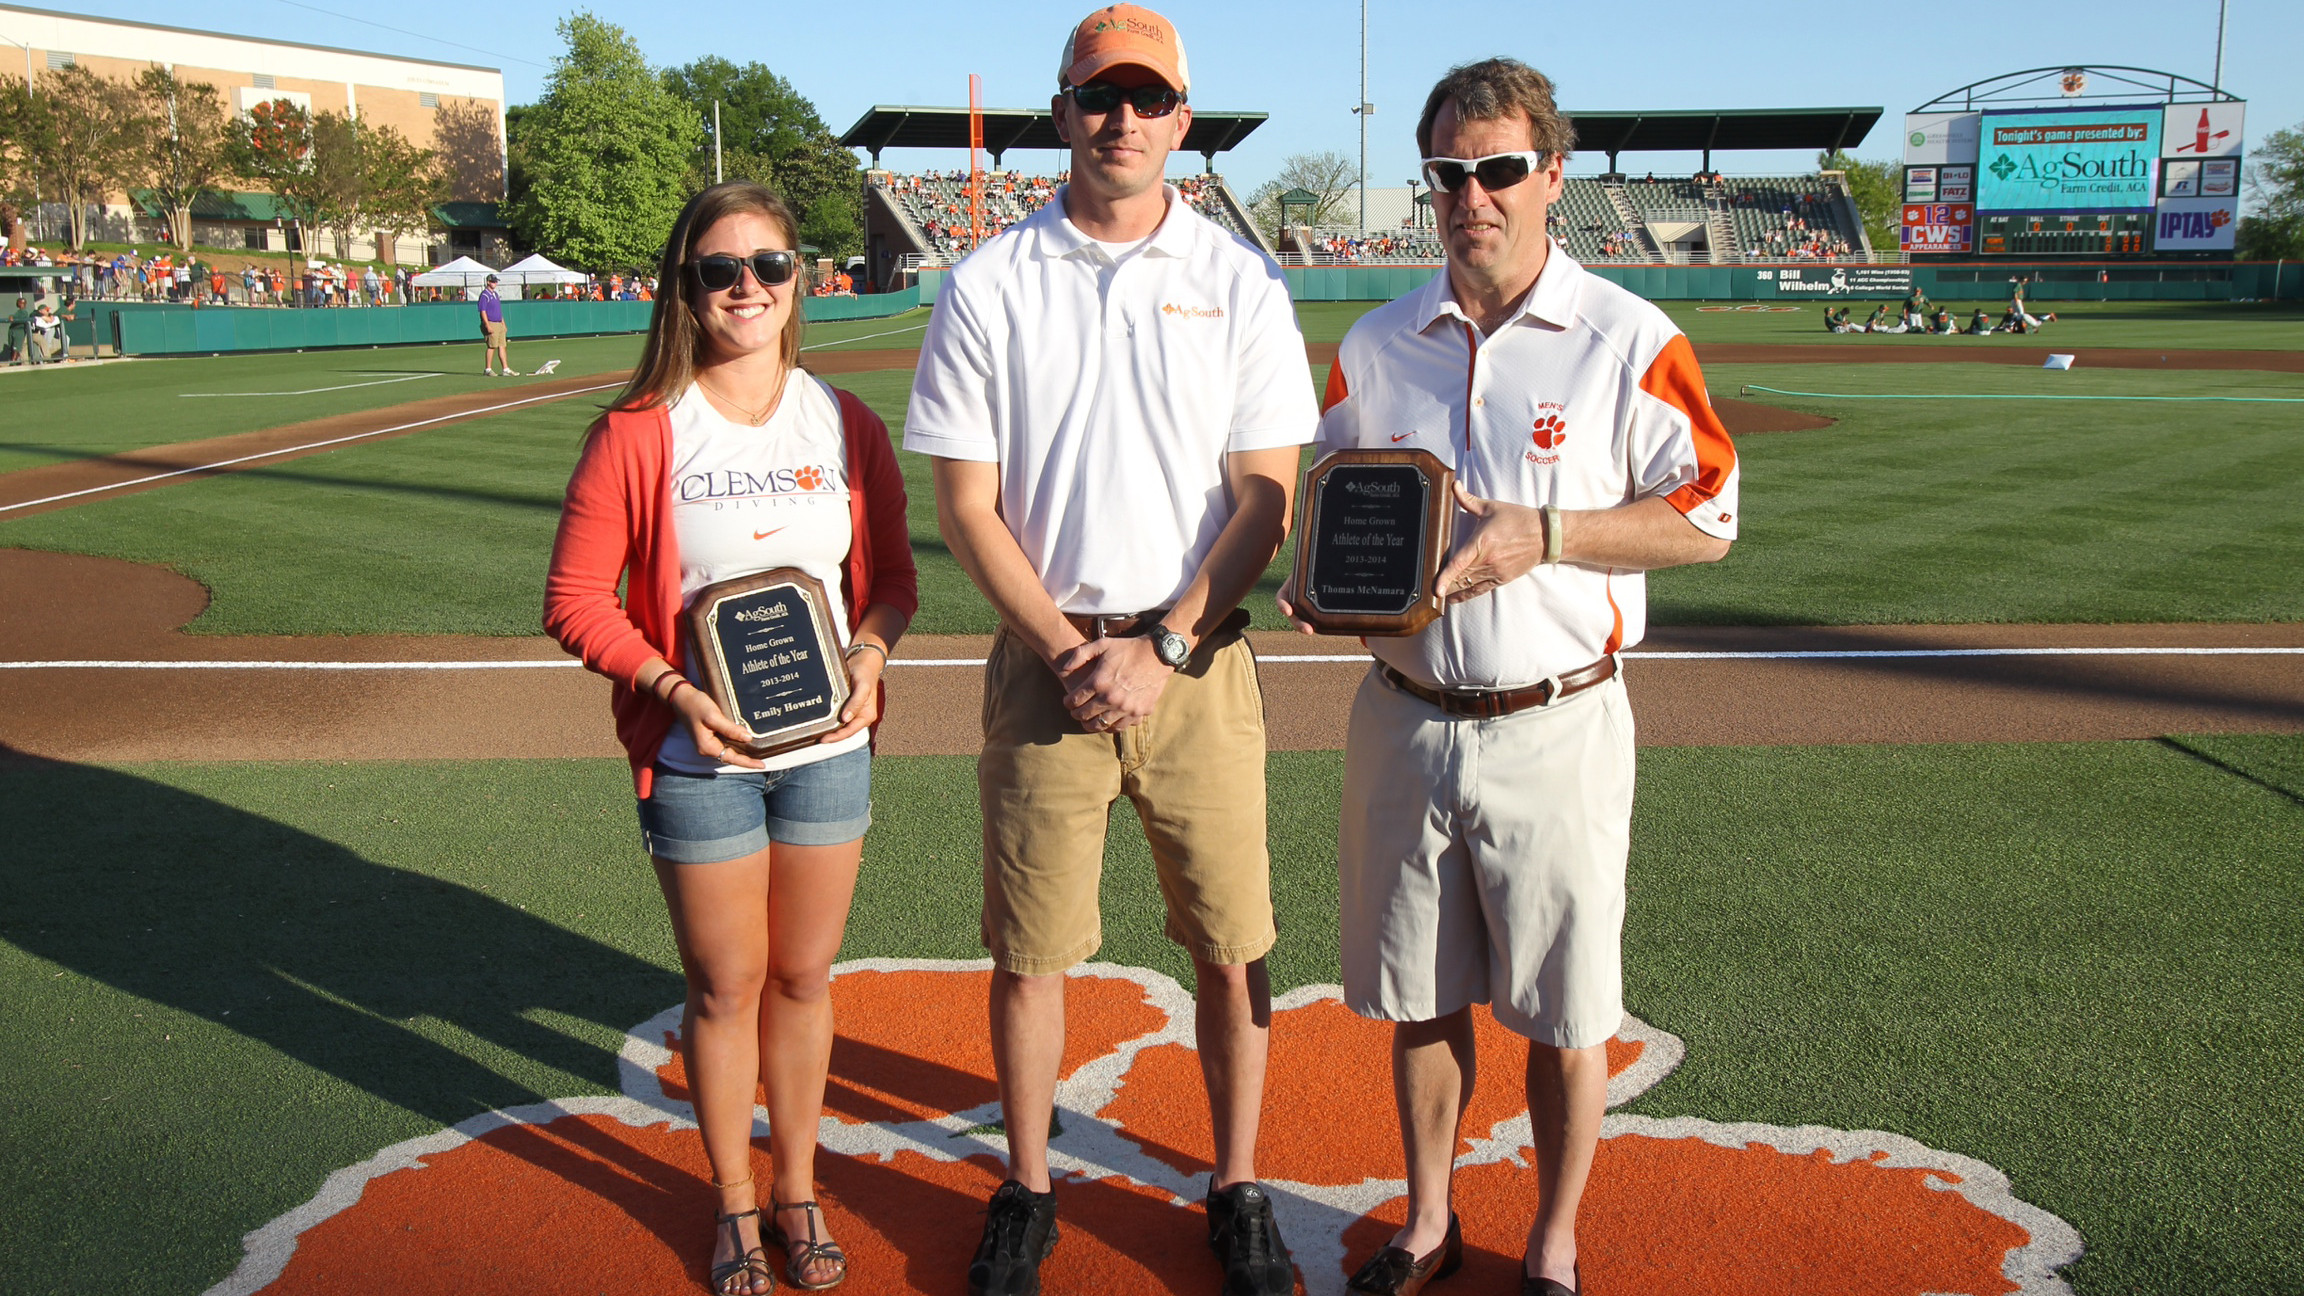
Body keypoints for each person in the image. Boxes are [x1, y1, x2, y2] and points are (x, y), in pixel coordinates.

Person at [1283, 57, 1737, 1296]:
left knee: (1567, 1011)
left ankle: (1554, 1243)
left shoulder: (1628, 337)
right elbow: (1334, 503)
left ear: (1550, 175)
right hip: (1405, 719)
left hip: (1557, 720)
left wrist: (1546, 532)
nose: (1470, 195)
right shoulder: (1376, 345)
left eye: (1495, 169)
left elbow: (1708, 514)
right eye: (1448, 172)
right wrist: (1320, 580)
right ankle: (1429, 1223)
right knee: (1418, 998)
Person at [904, 6, 1317, 1293]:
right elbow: (966, 504)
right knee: (1030, 952)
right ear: (1063, 112)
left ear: (1181, 121)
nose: (1121, 119)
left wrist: (1168, 643)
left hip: (1199, 659)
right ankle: (1028, 1186)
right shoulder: (989, 279)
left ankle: (1237, 1184)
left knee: (1234, 942)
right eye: (1098, 97)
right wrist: (1074, 649)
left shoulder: (1240, 278)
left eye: (1147, 98)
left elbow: (1266, 493)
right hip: (1049, 659)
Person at [543, 180, 919, 1295]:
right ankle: (736, 1207)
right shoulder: (638, 432)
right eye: (719, 269)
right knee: (724, 987)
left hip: (827, 750)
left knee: (802, 979)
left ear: (801, 279)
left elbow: (892, 581)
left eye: (769, 265)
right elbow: (575, 600)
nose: (745, 287)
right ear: (685, 286)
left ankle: (798, 1187)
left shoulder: (843, 423)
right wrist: (672, 687)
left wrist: (871, 655)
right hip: (697, 754)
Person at [477, 274, 516, 376]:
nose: (495, 283)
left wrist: (503, 323)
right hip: (491, 322)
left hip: (499, 323)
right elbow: (482, 311)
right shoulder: (484, 295)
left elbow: (499, 311)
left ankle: (505, 369)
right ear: (488, 282)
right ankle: (488, 369)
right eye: (493, 281)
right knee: (492, 346)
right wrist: (487, 325)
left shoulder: (495, 294)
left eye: (496, 282)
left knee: (502, 346)